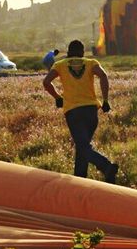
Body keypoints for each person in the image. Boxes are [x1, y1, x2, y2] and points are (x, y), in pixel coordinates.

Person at [42, 39, 118, 182]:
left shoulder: (60, 65)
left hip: (73, 112)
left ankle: (106, 166)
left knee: (83, 147)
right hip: (91, 111)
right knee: (82, 146)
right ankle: (80, 179)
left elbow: (46, 82)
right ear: (82, 52)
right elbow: (103, 76)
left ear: (69, 52)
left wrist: (57, 97)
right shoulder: (91, 63)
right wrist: (106, 100)